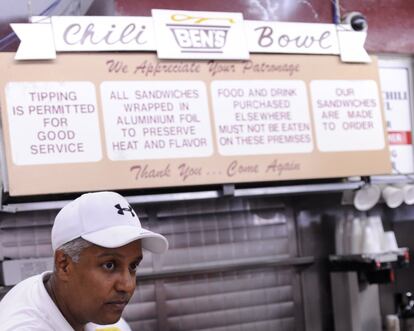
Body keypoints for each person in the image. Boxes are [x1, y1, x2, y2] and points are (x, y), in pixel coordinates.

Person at [0, 191, 168, 331]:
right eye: (109, 265)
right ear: (64, 265)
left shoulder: (86, 310)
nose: (127, 285)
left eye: (133, 265)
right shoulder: (23, 325)